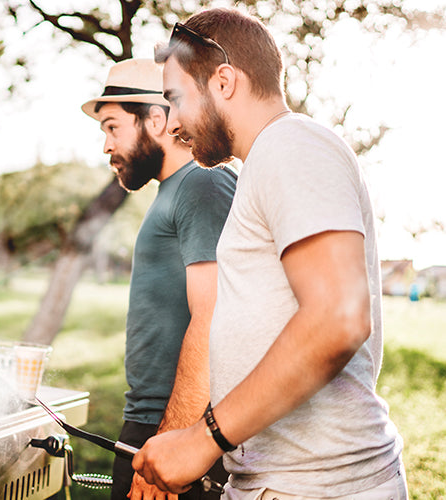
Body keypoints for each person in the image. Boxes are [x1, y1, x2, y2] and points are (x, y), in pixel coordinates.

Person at [132, 8, 407, 498]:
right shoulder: (266, 162)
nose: (170, 125)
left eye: (175, 100)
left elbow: (338, 318)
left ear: (224, 81)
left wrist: (205, 438)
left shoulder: (291, 144)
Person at [81, 58, 235, 500]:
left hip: (172, 431)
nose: (106, 146)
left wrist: (177, 440)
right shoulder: (174, 190)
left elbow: (214, 317)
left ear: (157, 119)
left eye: (113, 128)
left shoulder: (202, 184)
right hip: (152, 425)